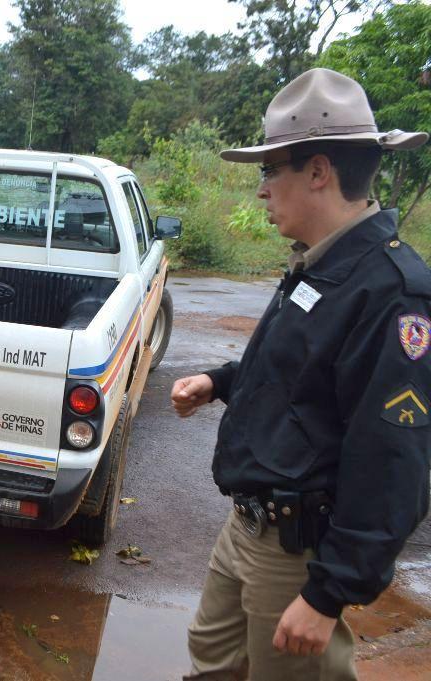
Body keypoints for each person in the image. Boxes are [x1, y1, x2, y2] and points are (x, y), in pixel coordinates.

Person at [171, 67, 430, 680]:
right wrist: (221, 381)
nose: (261, 191)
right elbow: (297, 371)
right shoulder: (321, 265)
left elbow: (393, 460)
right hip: (249, 525)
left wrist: (326, 594)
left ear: (318, 172)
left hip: (299, 550)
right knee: (213, 658)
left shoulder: (393, 293)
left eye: (270, 171)